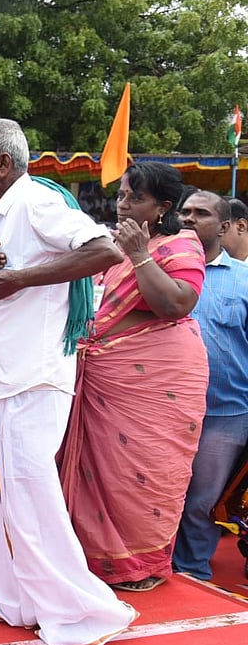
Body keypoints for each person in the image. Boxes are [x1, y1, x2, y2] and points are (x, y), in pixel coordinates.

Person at [0, 117, 137, 645]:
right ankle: (16, 602)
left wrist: (20, 278)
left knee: (29, 497)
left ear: (2, 164)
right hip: (5, 372)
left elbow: (104, 250)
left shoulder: (36, 201)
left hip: (34, 375)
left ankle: (84, 613)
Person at [58, 161, 206, 592]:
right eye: (122, 195)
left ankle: (143, 564)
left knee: (146, 469)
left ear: (163, 207)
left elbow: (176, 305)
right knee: (97, 470)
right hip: (102, 374)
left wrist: (141, 254)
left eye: (136, 198)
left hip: (155, 379)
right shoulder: (109, 246)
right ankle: (96, 559)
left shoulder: (181, 245)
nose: (123, 204)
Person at [172, 191, 248, 580]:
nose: (189, 218)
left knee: (202, 499)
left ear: (224, 226)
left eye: (201, 213)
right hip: (164, 410)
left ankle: (191, 571)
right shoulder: (159, 271)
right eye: (184, 211)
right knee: (158, 492)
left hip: (224, 413)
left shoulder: (244, 280)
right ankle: (153, 564)